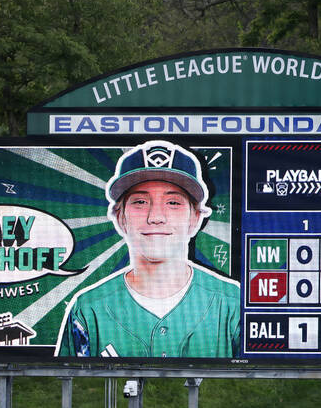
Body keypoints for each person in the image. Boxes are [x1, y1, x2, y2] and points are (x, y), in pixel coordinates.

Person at [57, 141, 238, 357]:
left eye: (173, 203)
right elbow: (71, 387)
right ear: (120, 217)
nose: (156, 217)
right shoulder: (88, 308)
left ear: (195, 218)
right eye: (140, 202)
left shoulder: (233, 303)